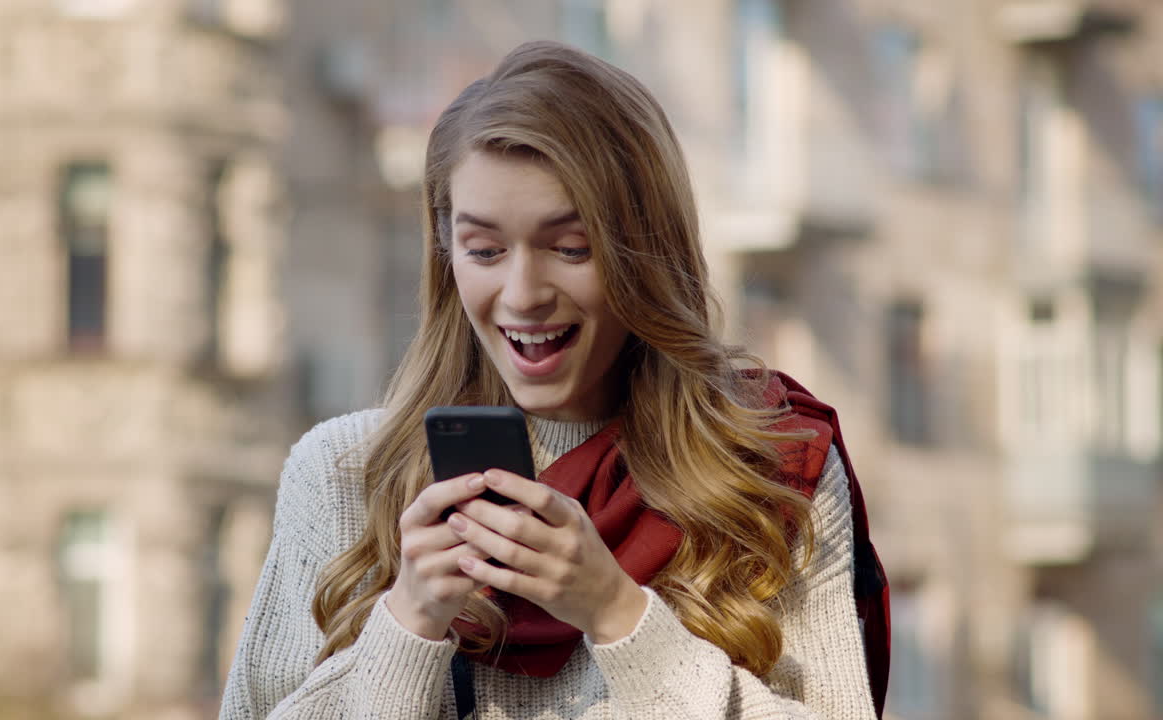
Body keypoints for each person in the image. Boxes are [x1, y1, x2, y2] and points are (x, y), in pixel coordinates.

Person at [220, 40, 882, 720]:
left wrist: (618, 613)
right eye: (485, 250)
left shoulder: (764, 468)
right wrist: (408, 624)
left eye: (571, 248)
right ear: (446, 252)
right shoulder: (343, 476)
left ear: (646, 253)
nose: (523, 293)